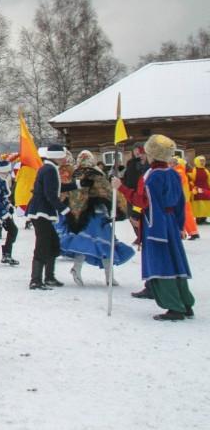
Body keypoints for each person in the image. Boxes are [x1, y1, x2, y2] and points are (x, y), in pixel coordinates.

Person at [137, 135, 195, 320]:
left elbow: (147, 203)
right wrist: (179, 225)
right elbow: (180, 203)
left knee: (162, 263)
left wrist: (121, 188)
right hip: (170, 222)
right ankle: (185, 303)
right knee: (175, 261)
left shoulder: (154, 177)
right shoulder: (173, 173)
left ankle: (174, 306)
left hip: (157, 224)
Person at [57, 151, 133, 286]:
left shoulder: (77, 174)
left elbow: (69, 194)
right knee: (104, 244)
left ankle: (78, 269)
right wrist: (118, 208)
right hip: (95, 215)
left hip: (85, 215)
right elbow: (108, 192)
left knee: (85, 243)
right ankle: (108, 276)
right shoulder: (95, 174)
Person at [26, 145, 75, 291]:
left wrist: (77, 184)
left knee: (53, 244)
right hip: (41, 212)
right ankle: (35, 280)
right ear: (57, 155)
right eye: (64, 155)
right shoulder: (49, 170)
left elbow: (55, 189)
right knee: (43, 245)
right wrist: (65, 210)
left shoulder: (49, 168)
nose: (66, 158)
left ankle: (49, 277)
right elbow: (50, 194)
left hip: (42, 212)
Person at [191, 155, 210, 224]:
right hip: (197, 189)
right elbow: (191, 180)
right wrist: (193, 188)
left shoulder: (206, 170)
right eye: (201, 161)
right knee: (199, 204)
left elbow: (209, 180)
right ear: (197, 161)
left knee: (206, 204)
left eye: (203, 161)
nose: (202, 162)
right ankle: (198, 219)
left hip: (206, 189)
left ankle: (204, 218)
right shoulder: (194, 170)